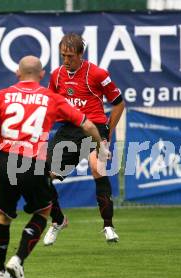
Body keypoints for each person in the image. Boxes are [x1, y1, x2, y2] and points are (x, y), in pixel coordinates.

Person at [0, 55, 105, 278]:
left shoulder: (1, 96)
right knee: (43, 212)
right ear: (42, 75)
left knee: (3, 216)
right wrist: (101, 147)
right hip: (32, 163)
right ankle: (18, 259)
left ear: (17, 73)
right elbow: (89, 125)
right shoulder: (52, 98)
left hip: (4, 163)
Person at [43, 33, 125, 246]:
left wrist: (108, 130)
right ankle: (58, 221)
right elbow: (51, 105)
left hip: (94, 128)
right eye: (63, 56)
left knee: (97, 166)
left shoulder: (97, 73)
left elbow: (119, 103)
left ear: (81, 54)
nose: (66, 60)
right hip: (69, 129)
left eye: (70, 56)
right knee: (43, 177)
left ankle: (108, 225)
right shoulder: (56, 75)